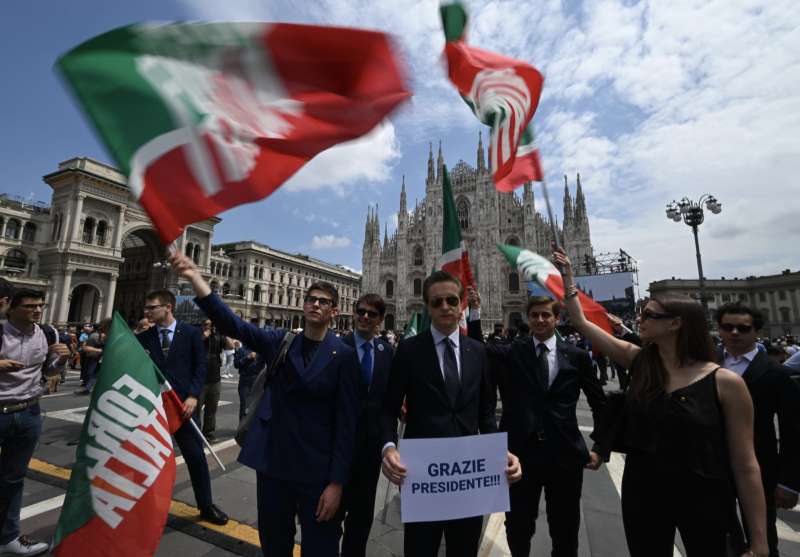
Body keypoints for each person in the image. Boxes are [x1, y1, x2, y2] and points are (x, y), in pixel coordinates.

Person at [553, 248, 768, 557]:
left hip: (704, 498)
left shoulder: (725, 383)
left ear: (676, 324)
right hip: (644, 494)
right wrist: (569, 277)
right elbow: (581, 322)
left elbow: (746, 465)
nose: (639, 317)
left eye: (649, 315)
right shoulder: (639, 362)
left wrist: (759, 541)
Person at [168, 251, 359, 557]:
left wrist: (337, 483)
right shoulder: (281, 342)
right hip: (275, 465)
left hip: (318, 472)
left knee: (321, 548)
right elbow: (234, 325)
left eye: (323, 301)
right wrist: (195, 279)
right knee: (274, 545)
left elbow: (348, 425)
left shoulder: (345, 356)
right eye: (311, 299)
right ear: (304, 304)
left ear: (334, 311)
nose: (315, 304)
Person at [381, 270, 522, 557]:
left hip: (468, 474)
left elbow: (485, 412)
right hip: (423, 474)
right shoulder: (408, 350)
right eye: (437, 302)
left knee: (464, 549)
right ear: (427, 307)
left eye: (451, 300)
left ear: (462, 305)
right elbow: (388, 408)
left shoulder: (478, 351)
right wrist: (388, 447)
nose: (445, 306)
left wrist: (500, 450)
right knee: (420, 549)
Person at [467, 289, 606, 557]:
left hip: (565, 455)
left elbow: (600, 403)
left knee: (565, 529)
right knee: (518, 527)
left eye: (546, 315)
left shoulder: (576, 355)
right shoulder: (513, 351)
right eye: (534, 315)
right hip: (520, 455)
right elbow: (479, 350)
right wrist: (475, 312)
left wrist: (602, 446)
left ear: (557, 318)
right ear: (528, 320)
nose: (540, 320)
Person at [136, 289, 228, 526]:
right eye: (146, 308)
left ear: (168, 307)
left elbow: (200, 366)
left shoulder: (190, 333)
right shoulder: (143, 338)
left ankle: (206, 505)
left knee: (196, 457)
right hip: (155, 409)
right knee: (149, 460)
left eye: (151, 307)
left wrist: (193, 396)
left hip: (184, 408)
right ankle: (145, 506)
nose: (147, 312)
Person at [716, 303, 800, 557]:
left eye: (743, 328)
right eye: (727, 327)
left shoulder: (777, 373)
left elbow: (793, 430)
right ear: (719, 329)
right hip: (712, 463)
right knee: (718, 531)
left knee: (761, 535)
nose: (734, 333)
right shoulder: (706, 363)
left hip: (760, 464)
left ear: (757, 332)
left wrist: (790, 482)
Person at [0, 287, 69, 556]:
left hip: (29, 412)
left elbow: (48, 371)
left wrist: (61, 359)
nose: (37, 310)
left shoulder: (46, 332)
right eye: (30, 306)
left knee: (13, 479)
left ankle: (8, 539)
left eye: (40, 305)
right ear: (12, 308)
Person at [339, 294, 393, 557]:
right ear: (354, 313)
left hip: (369, 456)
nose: (366, 317)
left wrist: (389, 444)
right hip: (335, 453)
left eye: (373, 314)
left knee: (360, 523)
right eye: (361, 311)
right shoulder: (336, 347)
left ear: (380, 320)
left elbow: (388, 403)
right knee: (326, 521)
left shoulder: (386, 352)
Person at [197, 319, 232, 442]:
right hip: (200, 379)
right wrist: (203, 337)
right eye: (206, 325)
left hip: (215, 379)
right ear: (202, 325)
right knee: (196, 410)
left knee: (211, 409)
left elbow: (231, 345)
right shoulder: (197, 335)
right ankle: (196, 435)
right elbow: (192, 348)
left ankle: (209, 434)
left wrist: (224, 331)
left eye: (210, 325)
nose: (208, 327)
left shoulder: (218, 336)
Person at [233, 342, 264, 421]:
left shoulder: (260, 350)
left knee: (256, 405)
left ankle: (252, 428)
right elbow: (236, 364)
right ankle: (242, 427)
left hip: (257, 379)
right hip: (245, 380)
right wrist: (248, 357)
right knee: (244, 404)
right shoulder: (241, 350)